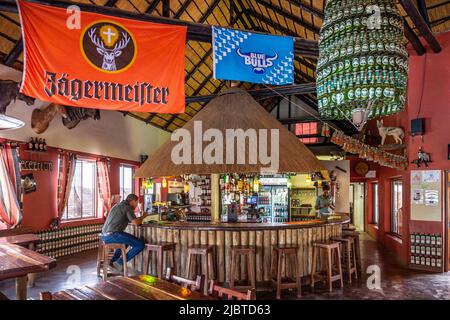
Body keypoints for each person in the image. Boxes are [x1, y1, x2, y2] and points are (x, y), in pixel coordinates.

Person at [101, 194, 148, 270]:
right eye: (136, 202)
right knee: (140, 244)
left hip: (104, 236)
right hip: (113, 234)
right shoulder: (127, 207)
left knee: (125, 242)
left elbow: (132, 220)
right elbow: (136, 223)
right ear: (133, 201)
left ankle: (113, 261)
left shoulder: (117, 206)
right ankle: (120, 263)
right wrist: (144, 216)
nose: (136, 205)